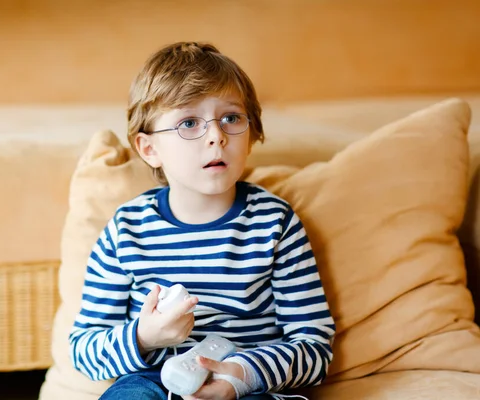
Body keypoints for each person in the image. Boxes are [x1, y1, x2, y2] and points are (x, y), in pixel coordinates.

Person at [69, 41, 336, 400]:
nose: (216, 136)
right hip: (152, 380)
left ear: (252, 132)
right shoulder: (127, 229)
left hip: (247, 385)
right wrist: (144, 337)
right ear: (150, 149)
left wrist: (241, 376)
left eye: (231, 117)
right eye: (189, 122)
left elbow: (314, 346)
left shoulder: (275, 224)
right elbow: (84, 350)